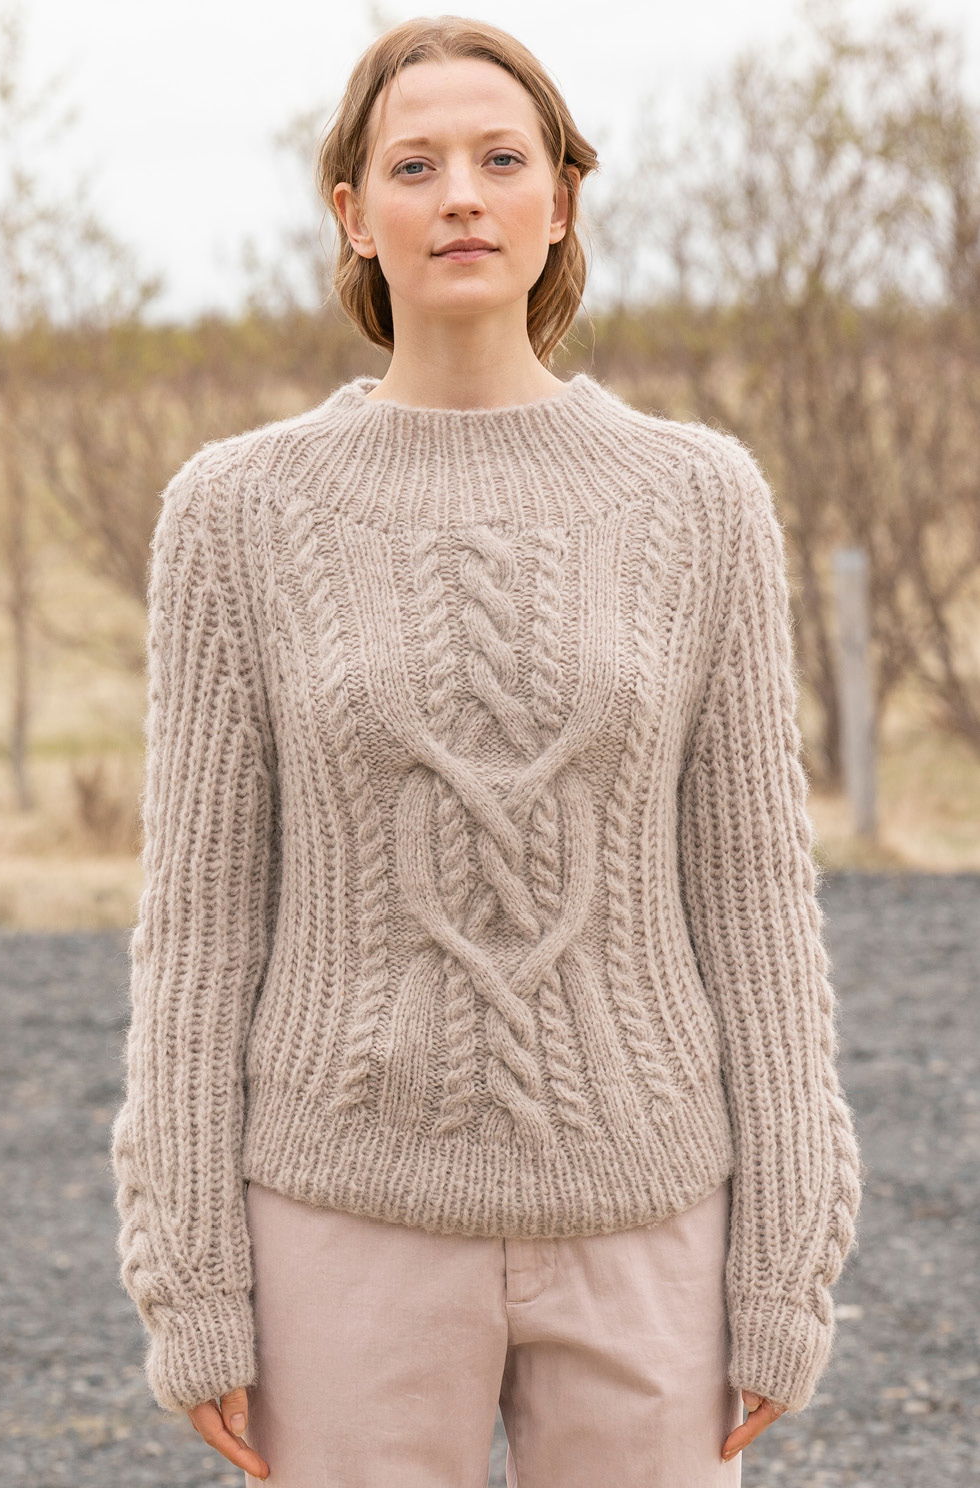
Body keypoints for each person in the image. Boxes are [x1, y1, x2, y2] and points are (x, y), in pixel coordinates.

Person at [109, 14, 864, 1487]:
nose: (461, 195)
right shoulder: (236, 512)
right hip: (344, 1227)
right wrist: (190, 1277)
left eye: (502, 159)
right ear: (354, 213)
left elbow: (758, 902)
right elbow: (197, 924)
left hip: (647, 1219)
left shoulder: (699, 498)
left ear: (561, 199)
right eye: (417, 165)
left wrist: (788, 1259)